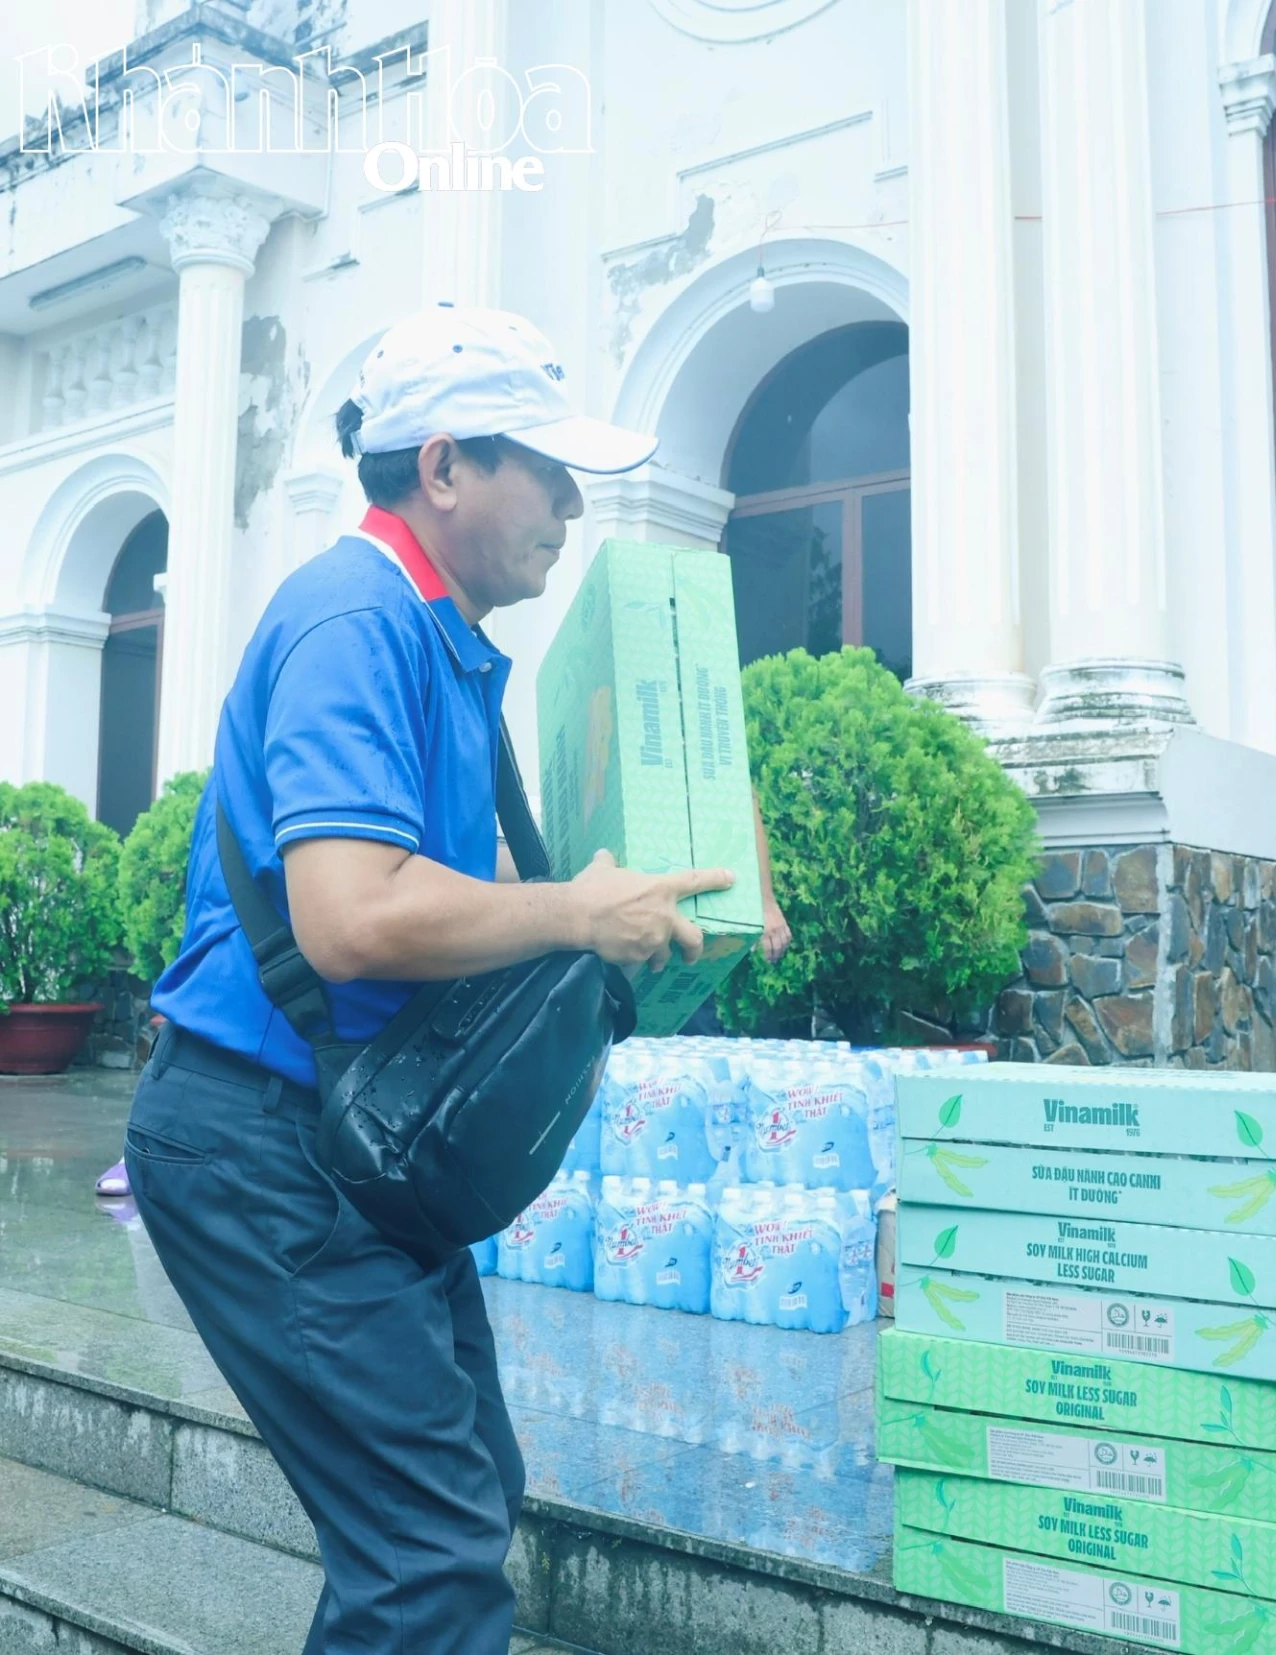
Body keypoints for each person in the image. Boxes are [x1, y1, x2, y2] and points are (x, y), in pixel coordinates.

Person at [123, 304, 736, 1655]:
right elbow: (352, 916)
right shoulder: (355, 616)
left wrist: (679, 901)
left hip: (348, 1134)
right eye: (549, 467)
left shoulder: (433, 634)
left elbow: (469, 892)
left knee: (462, 1498)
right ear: (446, 465)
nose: (573, 502)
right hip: (261, 1140)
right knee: (429, 1548)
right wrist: (576, 908)